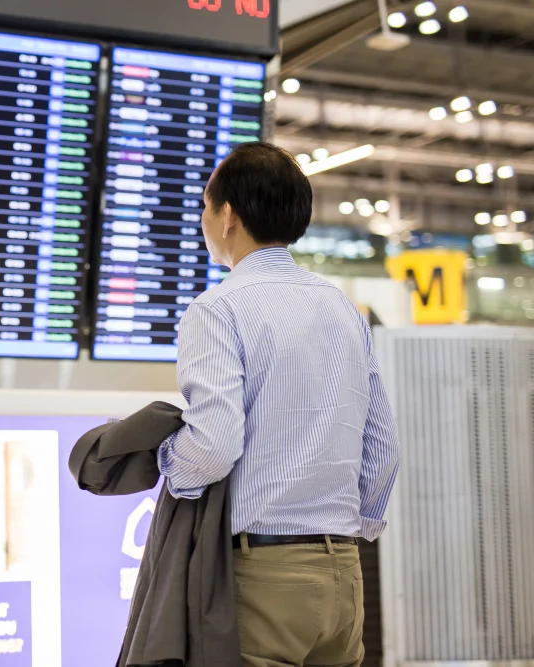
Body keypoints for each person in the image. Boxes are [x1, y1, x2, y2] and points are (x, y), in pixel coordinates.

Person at [158, 142, 401, 667]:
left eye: (205, 207)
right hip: (344, 574)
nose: (203, 220)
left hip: (264, 574)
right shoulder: (343, 309)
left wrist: (171, 465)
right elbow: (382, 447)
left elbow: (214, 445)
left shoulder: (217, 309)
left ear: (227, 216)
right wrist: (350, 532)